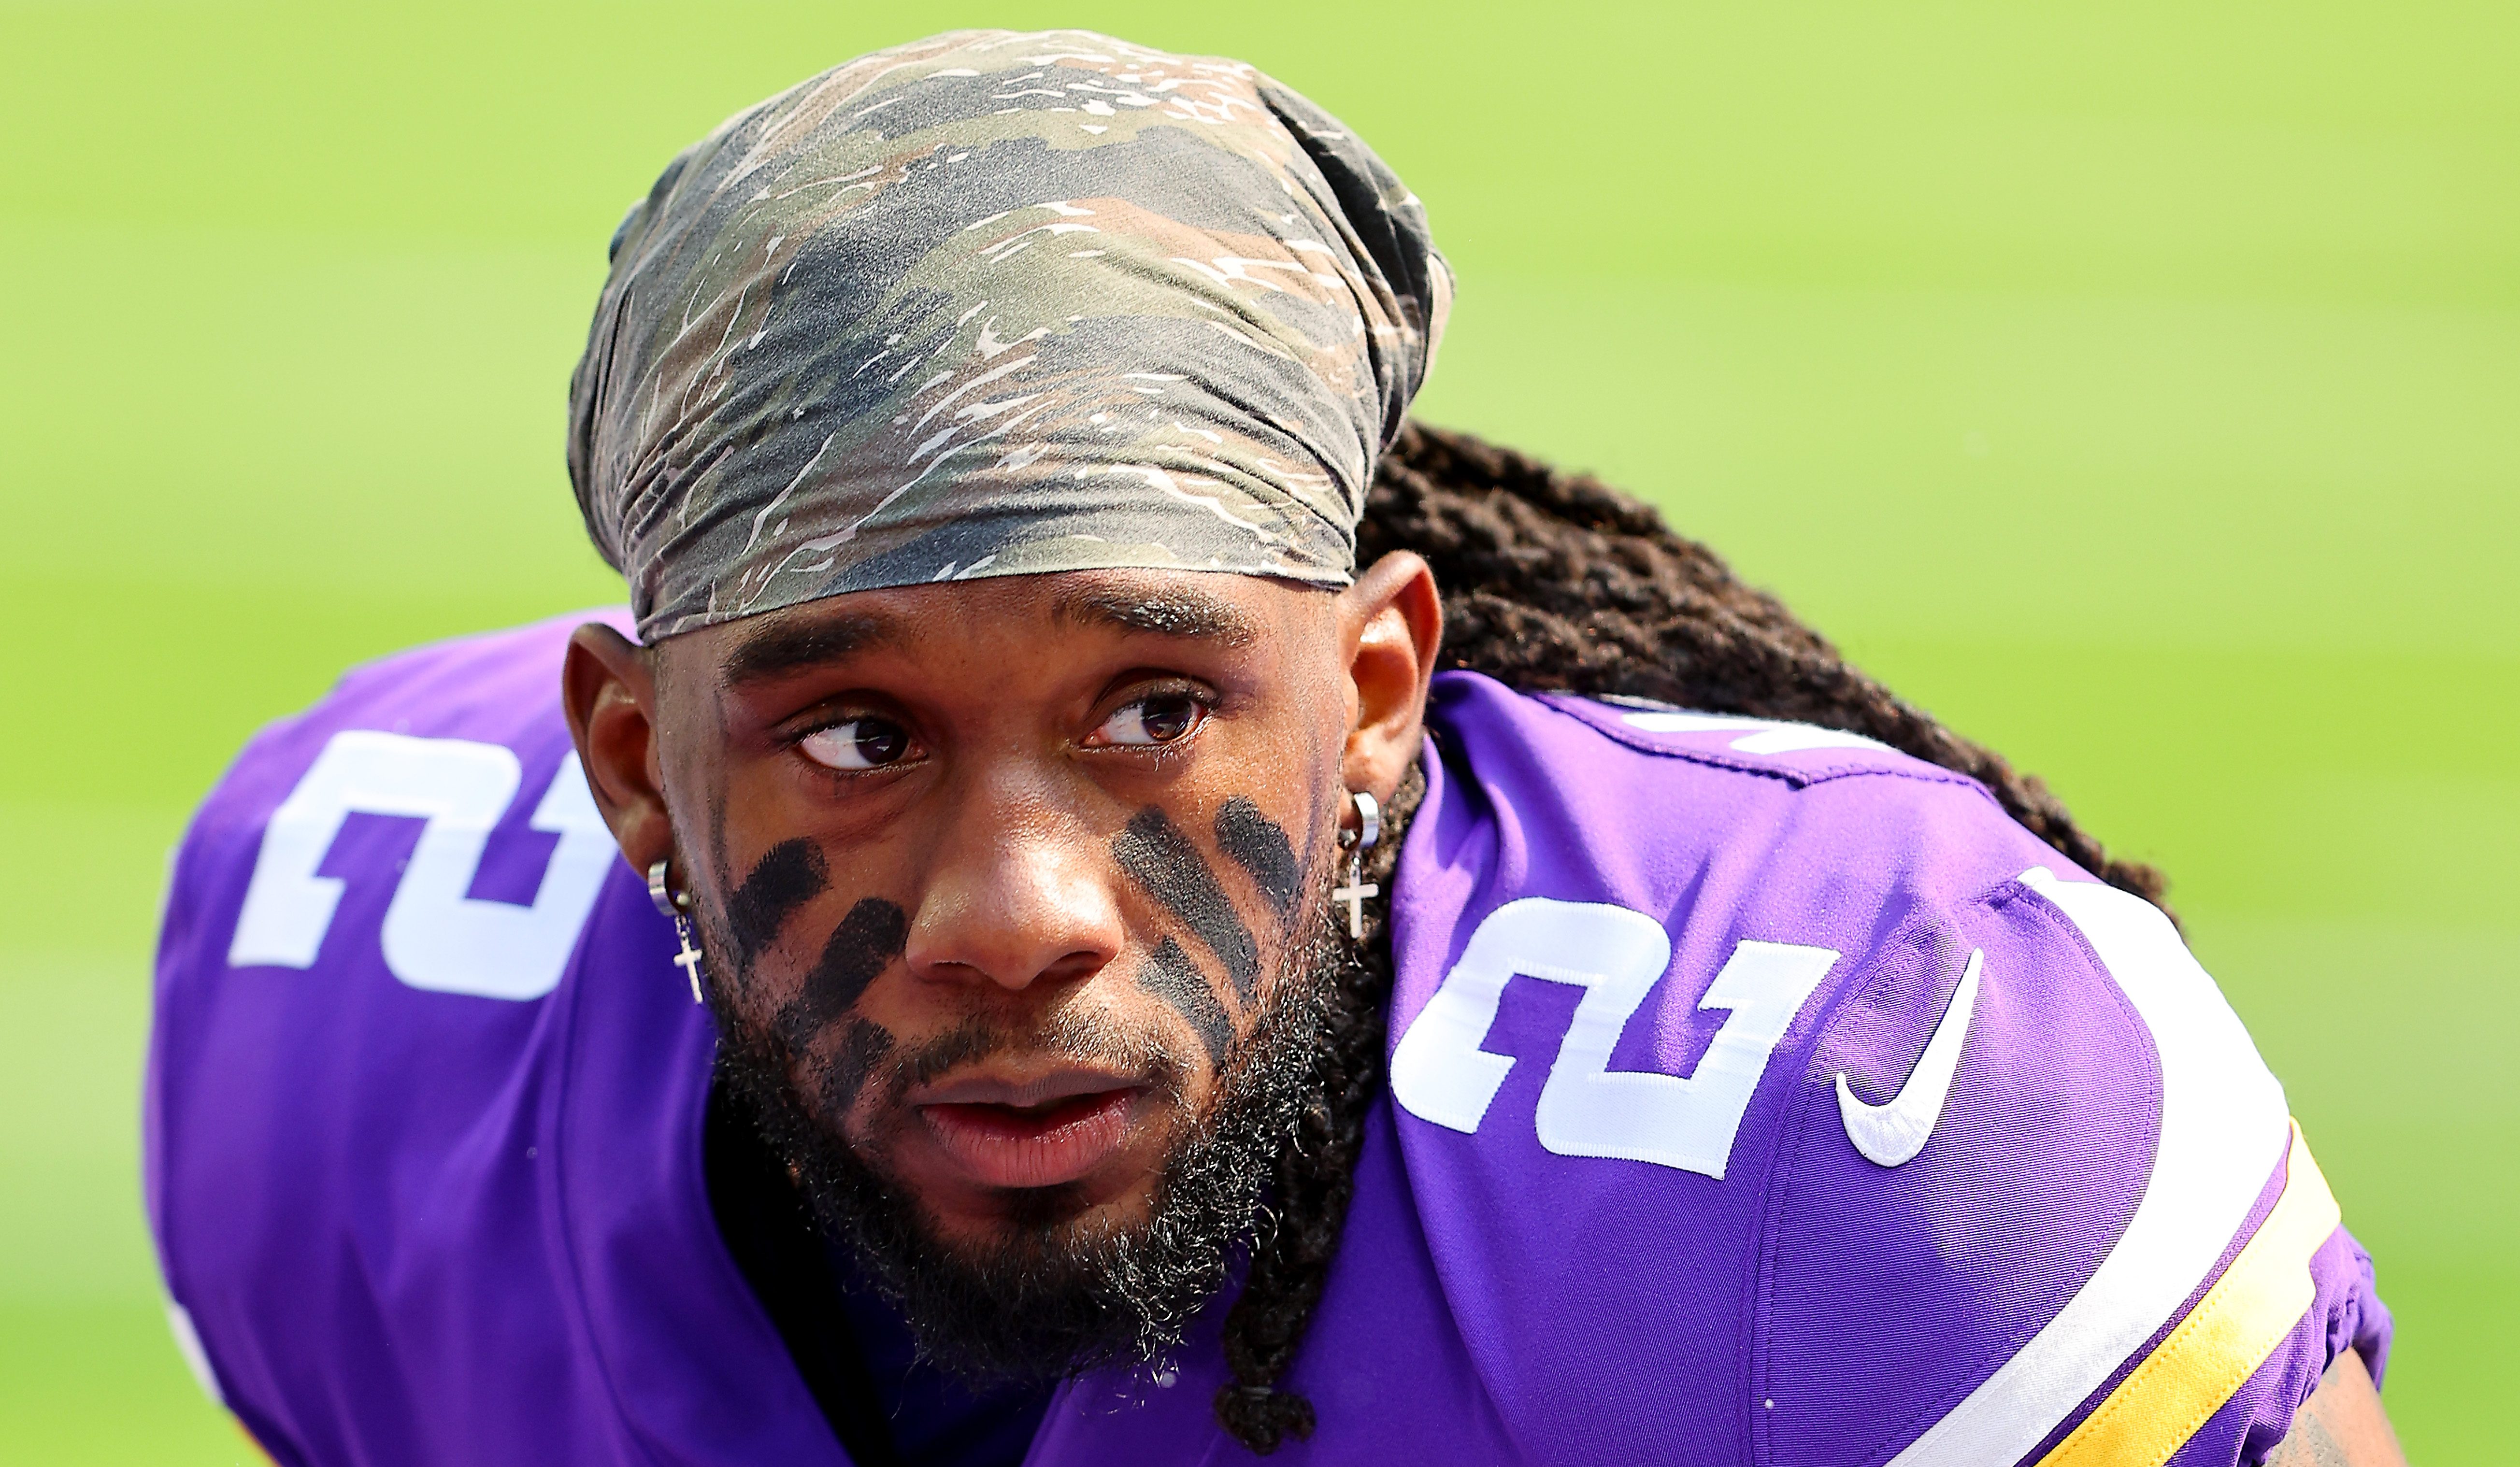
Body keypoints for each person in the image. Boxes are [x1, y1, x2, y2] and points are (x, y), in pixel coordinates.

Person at [146, 28, 2403, 1467]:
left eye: (1155, 707)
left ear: (1376, 695)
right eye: (855, 732)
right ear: (636, 766)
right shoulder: (356, 1014)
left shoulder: (1873, 1108)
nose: (1017, 913)